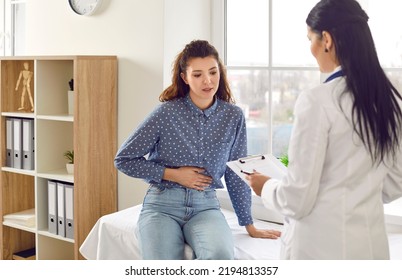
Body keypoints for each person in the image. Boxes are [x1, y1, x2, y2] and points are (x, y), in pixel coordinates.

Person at [247, 0, 402, 260]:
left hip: (320, 250)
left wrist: (267, 187)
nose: (311, 49)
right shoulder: (390, 96)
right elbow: (397, 180)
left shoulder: (317, 100)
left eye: (310, 39)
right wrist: (357, 194)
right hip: (371, 249)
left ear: (327, 39)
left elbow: (297, 200)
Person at [114, 39, 281, 260]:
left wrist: (248, 224)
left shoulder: (233, 116)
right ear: (185, 77)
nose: (207, 81)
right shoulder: (166, 113)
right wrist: (173, 174)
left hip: (206, 207)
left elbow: (234, 172)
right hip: (162, 205)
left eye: (213, 72)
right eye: (198, 74)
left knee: (221, 257)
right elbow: (124, 159)